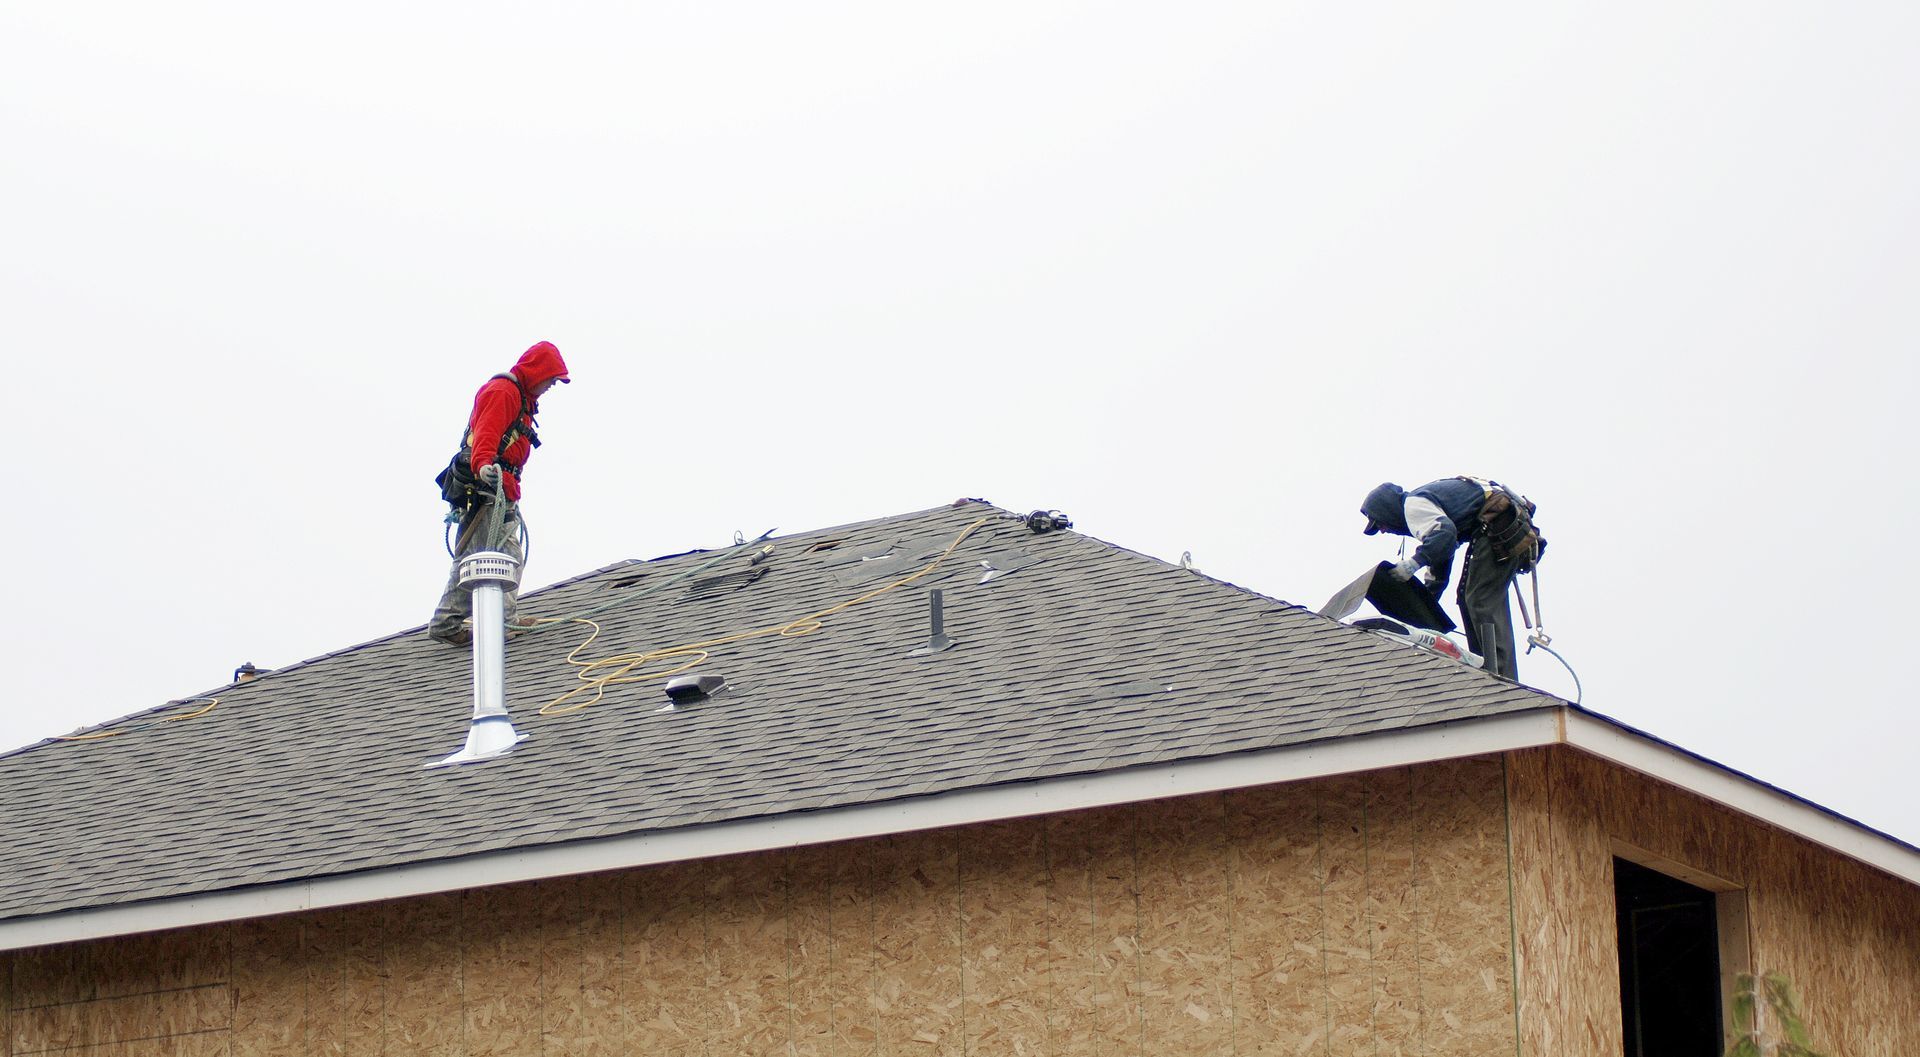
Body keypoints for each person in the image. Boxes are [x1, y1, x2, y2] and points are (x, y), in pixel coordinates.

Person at [429, 341, 570, 647]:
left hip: (500, 488)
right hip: (488, 487)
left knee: (482, 555)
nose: (550, 387)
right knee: (498, 556)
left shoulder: (520, 399)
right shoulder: (503, 393)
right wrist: (483, 467)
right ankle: (490, 622)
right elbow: (487, 435)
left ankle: (454, 621)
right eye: (551, 380)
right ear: (538, 372)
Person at [1359, 477, 1533, 680]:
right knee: (1468, 598)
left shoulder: (1413, 505)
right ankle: (1485, 664)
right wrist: (1426, 600)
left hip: (1499, 524)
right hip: (1499, 524)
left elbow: (1445, 536)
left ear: (1387, 510)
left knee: (1479, 598)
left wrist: (1414, 563)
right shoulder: (1424, 507)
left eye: (1380, 523)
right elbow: (1442, 553)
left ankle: (1501, 673)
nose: (1382, 530)